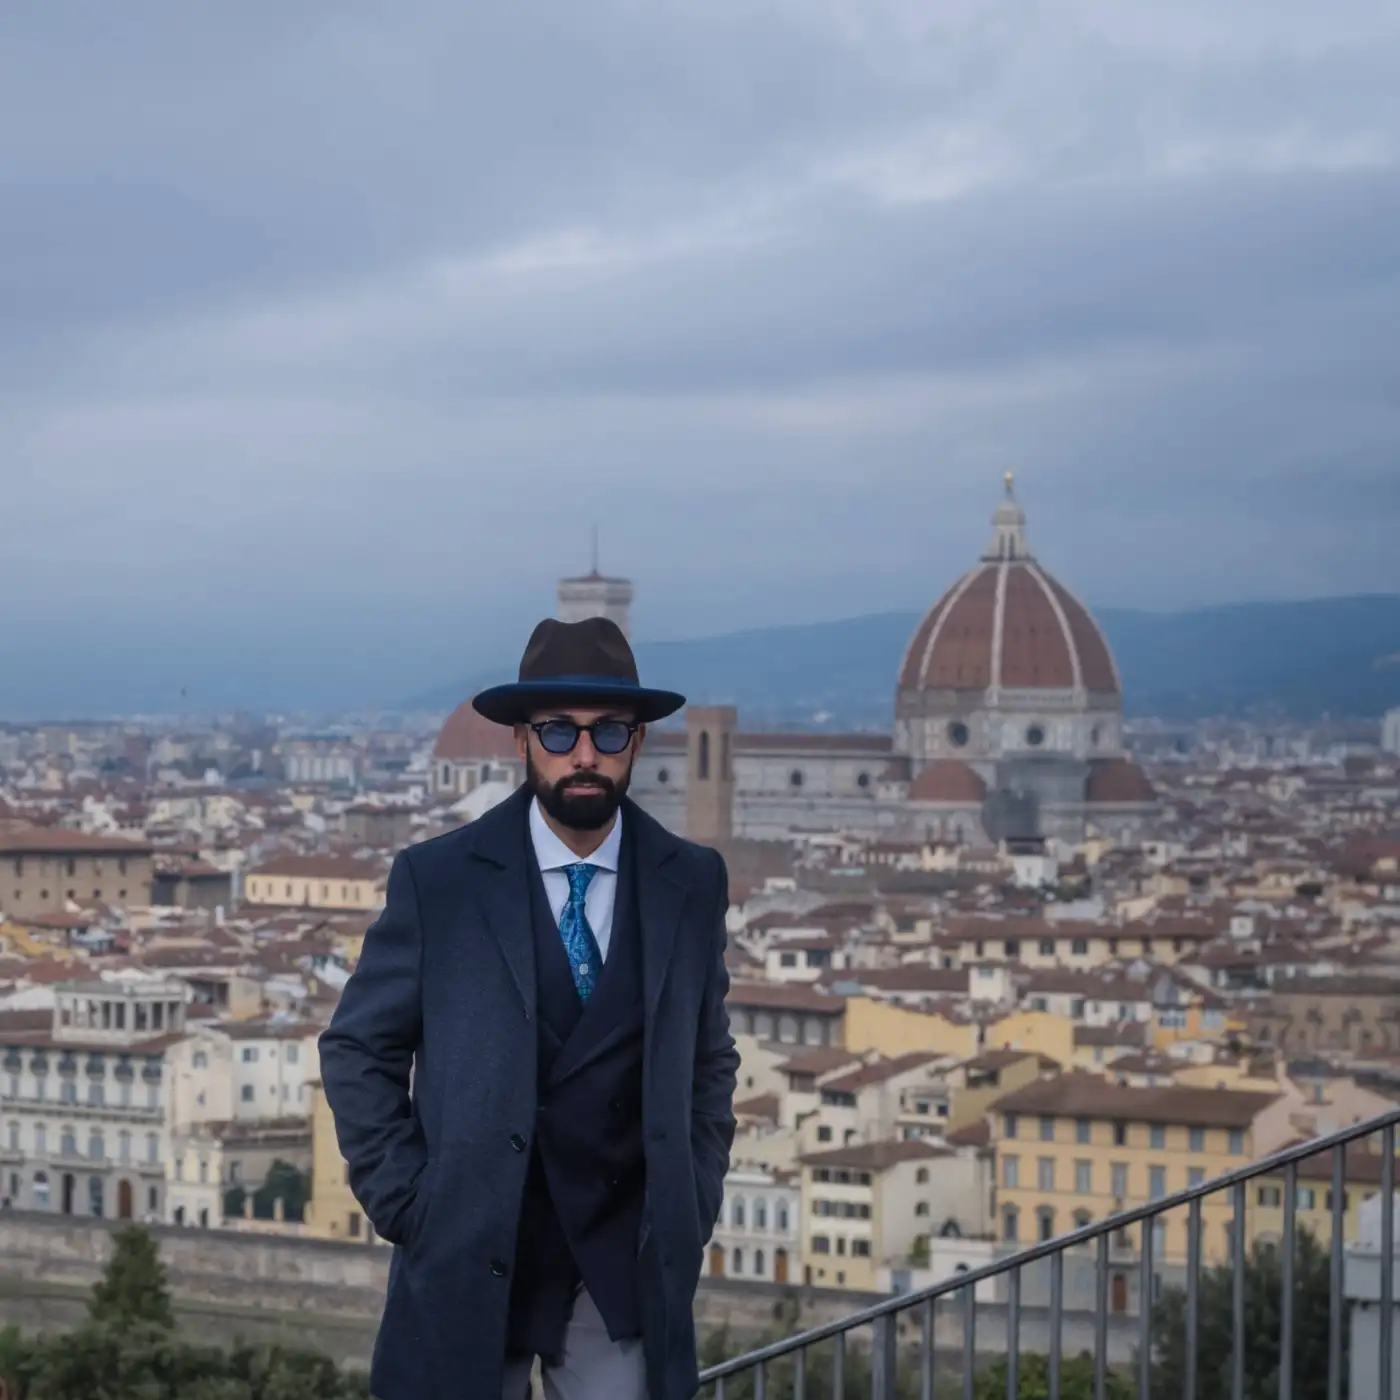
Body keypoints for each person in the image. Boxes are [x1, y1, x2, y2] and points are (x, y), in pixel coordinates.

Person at [319, 616, 739, 1400]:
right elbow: (357, 1049)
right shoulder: (437, 881)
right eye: (559, 732)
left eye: (609, 733)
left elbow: (710, 1057)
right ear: (521, 742)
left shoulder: (692, 882)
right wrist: (410, 1203)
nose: (585, 755)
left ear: (639, 743)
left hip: (617, 1264)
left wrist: (696, 1193)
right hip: (471, 1247)